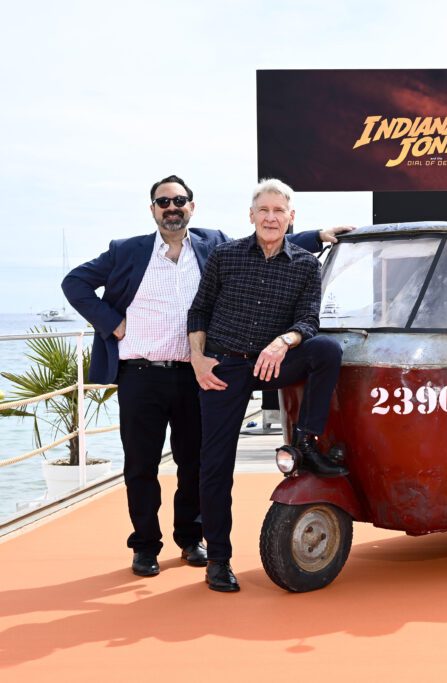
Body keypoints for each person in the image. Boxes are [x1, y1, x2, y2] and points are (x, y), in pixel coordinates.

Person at [61, 174, 347, 579]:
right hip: (145, 373)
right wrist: (111, 323)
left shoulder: (211, 245)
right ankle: (146, 546)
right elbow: (75, 283)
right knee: (142, 465)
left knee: (194, 464)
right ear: (153, 209)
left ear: (191, 207)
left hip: (195, 373)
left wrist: (317, 236)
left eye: (179, 200)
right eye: (164, 202)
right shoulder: (128, 251)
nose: (172, 207)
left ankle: (191, 538)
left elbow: (270, 244)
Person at [187, 178, 345, 592]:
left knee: (326, 350)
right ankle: (218, 559)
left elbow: (309, 320)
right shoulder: (225, 256)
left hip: (270, 362)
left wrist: (284, 340)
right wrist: (198, 359)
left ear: (292, 218)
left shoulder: (305, 264)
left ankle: (307, 441)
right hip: (223, 365)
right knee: (215, 463)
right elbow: (199, 311)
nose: (271, 218)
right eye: (264, 210)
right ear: (251, 216)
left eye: (279, 211)